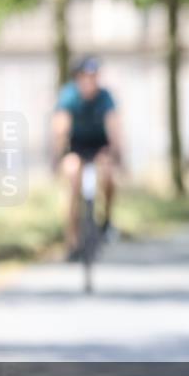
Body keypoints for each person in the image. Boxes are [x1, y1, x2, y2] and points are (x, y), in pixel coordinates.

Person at [51, 56, 123, 259]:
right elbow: (60, 125)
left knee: (108, 176)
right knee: (73, 180)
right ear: (78, 77)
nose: (90, 81)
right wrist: (57, 156)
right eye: (86, 77)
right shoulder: (69, 95)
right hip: (76, 145)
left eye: (94, 76)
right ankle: (72, 240)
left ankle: (106, 221)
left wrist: (118, 153)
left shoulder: (105, 96)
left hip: (99, 145)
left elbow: (114, 125)